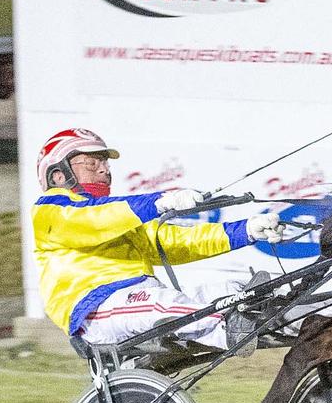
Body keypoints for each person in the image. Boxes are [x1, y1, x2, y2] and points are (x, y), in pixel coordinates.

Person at [31, 128, 285, 355]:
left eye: (105, 163)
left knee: (234, 290)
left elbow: (176, 241)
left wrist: (247, 231)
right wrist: (160, 201)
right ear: (59, 175)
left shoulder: (119, 217)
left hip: (139, 300)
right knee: (164, 303)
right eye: (91, 162)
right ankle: (230, 330)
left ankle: (286, 320)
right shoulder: (50, 211)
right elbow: (95, 218)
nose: (104, 169)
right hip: (95, 311)